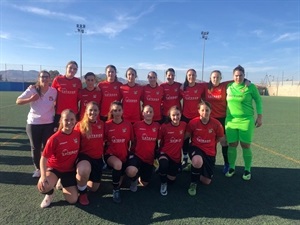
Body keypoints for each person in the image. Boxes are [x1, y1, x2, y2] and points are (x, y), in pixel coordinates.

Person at [16, 70, 57, 178]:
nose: (44, 79)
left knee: (47, 147)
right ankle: (38, 169)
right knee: (35, 147)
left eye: (46, 77)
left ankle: (48, 167)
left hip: (49, 123)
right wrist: (30, 99)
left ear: (50, 79)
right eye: (42, 77)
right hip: (34, 123)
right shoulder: (32, 89)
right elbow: (18, 101)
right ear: (39, 78)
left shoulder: (54, 91)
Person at [225, 65, 263, 181]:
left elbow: (258, 100)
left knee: (245, 145)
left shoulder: (250, 87)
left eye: (241, 75)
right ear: (233, 76)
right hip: (231, 121)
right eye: (236, 75)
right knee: (232, 144)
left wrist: (260, 117)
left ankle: (247, 169)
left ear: (244, 76)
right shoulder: (228, 86)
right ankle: (231, 167)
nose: (238, 78)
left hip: (246, 120)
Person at [37, 109, 80, 208]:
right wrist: (43, 176)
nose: (69, 122)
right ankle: (50, 194)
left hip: (69, 170)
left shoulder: (77, 134)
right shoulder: (54, 138)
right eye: (66, 120)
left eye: (72, 119)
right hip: (54, 169)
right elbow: (43, 158)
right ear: (61, 121)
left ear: (75, 120)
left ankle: (61, 181)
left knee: (73, 200)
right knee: (43, 187)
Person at [185, 101, 224, 196]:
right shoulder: (193, 122)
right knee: (198, 161)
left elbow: (220, 137)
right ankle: (193, 183)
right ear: (198, 111)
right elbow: (187, 136)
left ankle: (194, 168)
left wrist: (211, 143)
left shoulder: (216, 124)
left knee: (206, 181)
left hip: (210, 151)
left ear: (210, 111)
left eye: (207, 110)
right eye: (202, 110)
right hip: (196, 148)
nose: (205, 112)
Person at [74, 101, 105, 205]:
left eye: (95, 110)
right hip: (84, 157)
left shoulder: (102, 125)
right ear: (86, 112)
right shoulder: (79, 125)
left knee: (93, 188)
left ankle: (79, 181)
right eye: (90, 110)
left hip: (97, 159)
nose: (93, 112)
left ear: (99, 112)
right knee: (84, 170)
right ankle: (82, 193)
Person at [104, 101, 134, 203]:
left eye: (119, 110)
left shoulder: (128, 125)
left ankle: (125, 176)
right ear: (111, 112)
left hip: (124, 155)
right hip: (110, 155)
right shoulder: (107, 125)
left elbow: (132, 142)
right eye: (114, 110)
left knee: (130, 171)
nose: (117, 113)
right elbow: (102, 142)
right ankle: (115, 190)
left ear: (122, 111)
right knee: (117, 164)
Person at [125, 105, 160, 191]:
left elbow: (159, 141)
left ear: (153, 114)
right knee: (130, 171)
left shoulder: (157, 126)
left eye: (150, 112)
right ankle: (133, 181)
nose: (148, 113)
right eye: (146, 112)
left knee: (145, 183)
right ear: (142, 113)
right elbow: (129, 139)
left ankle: (141, 174)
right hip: (136, 155)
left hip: (149, 158)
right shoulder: (136, 125)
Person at [158, 106, 186, 196]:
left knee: (171, 180)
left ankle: (164, 172)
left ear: (181, 115)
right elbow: (159, 140)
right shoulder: (164, 126)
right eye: (173, 115)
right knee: (163, 164)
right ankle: (163, 183)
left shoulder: (184, 125)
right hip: (165, 153)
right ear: (170, 116)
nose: (176, 117)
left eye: (177, 115)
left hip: (176, 157)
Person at [180, 69, 205, 168]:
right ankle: (185, 158)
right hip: (185, 117)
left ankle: (198, 159)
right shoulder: (182, 88)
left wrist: (247, 80)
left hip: (197, 118)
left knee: (197, 138)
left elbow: (212, 83)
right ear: (186, 76)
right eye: (189, 75)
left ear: (196, 76)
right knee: (185, 138)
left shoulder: (200, 87)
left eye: (193, 75)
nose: (191, 77)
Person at [52, 61, 82, 128]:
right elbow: (51, 93)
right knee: (59, 134)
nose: (72, 70)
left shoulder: (78, 81)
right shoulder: (58, 79)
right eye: (70, 68)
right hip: (59, 113)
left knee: (73, 133)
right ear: (66, 68)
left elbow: (80, 96)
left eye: (75, 69)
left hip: (74, 113)